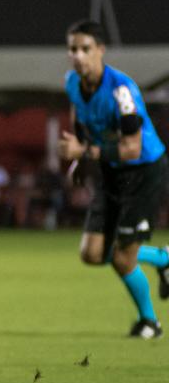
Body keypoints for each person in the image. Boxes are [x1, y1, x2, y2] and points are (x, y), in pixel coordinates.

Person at [58, 19, 169, 339]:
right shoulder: (71, 82)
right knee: (91, 254)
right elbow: (79, 113)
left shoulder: (122, 91)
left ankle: (150, 322)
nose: (78, 55)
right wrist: (80, 157)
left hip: (142, 172)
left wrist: (85, 151)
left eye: (85, 49)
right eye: (72, 49)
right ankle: (162, 258)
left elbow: (132, 149)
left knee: (122, 257)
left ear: (100, 51)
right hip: (110, 171)